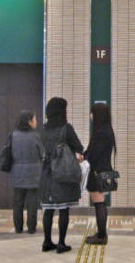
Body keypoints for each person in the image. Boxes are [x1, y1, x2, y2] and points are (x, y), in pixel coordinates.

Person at [39, 97, 84, 254]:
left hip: (46, 174)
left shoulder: (42, 130)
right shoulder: (66, 129)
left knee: (48, 209)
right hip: (63, 174)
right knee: (64, 209)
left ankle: (46, 242)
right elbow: (79, 147)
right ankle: (61, 243)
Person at [84, 102, 116, 245]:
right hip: (104, 170)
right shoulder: (107, 130)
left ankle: (102, 236)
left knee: (99, 203)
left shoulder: (100, 133)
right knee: (101, 202)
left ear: (97, 115)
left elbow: (94, 153)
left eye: (92, 113)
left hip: (98, 171)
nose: (90, 116)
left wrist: (85, 157)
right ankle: (101, 233)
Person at [10, 110, 45, 234]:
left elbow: (9, 153)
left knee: (18, 202)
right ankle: (31, 228)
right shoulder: (36, 136)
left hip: (17, 172)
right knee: (32, 202)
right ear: (29, 122)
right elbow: (42, 153)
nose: (36, 122)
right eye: (34, 119)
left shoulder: (13, 135)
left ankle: (18, 228)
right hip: (33, 173)